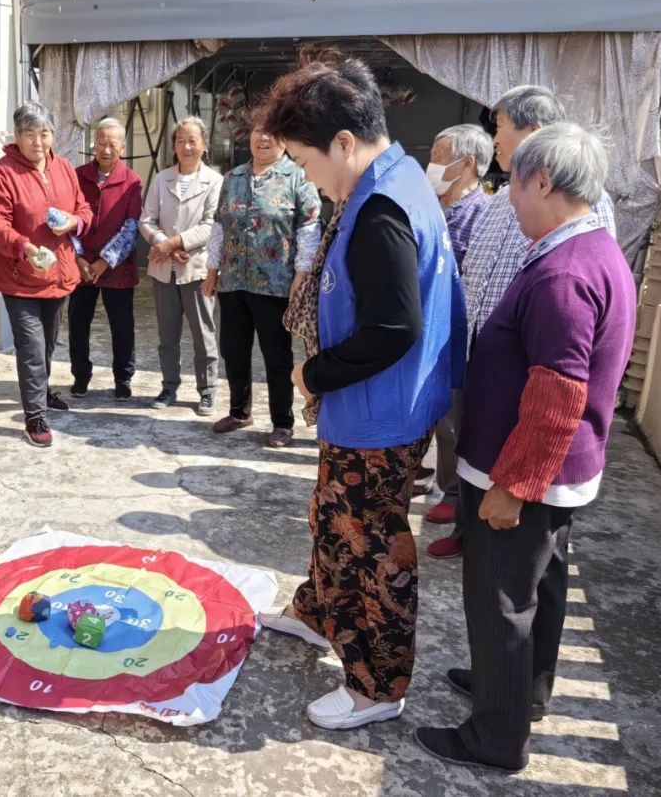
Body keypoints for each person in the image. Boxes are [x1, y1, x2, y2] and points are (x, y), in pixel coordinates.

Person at [415, 123, 636, 772]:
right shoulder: (591, 249)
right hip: (564, 469)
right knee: (543, 582)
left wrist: (513, 487)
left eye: (512, 183)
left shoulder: (564, 274)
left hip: (524, 470)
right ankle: (523, 690)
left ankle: (495, 737)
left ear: (541, 181)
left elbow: (557, 394)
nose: (509, 199)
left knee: (500, 599)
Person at [255, 52, 465, 730]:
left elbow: (395, 326)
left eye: (305, 161)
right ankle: (317, 612)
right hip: (372, 408)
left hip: (381, 414)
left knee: (371, 549)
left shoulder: (380, 210)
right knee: (331, 519)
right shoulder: (394, 178)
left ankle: (377, 684)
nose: (307, 178)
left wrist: (314, 374)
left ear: (343, 142)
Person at [433, 85, 617, 560]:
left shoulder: (582, 209)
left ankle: (499, 525)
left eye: (500, 126)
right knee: (474, 440)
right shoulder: (502, 198)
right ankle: (468, 524)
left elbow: (565, 365)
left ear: (533, 130)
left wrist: (519, 484)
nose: (493, 138)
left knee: (519, 452)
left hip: (532, 357)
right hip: (484, 348)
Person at [202, 123, 321, 447]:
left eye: (272, 132)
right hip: (233, 282)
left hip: (276, 285)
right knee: (233, 350)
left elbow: (309, 228)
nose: (263, 138)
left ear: (284, 140)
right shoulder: (233, 178)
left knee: (276, 356)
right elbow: (218, 227)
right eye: (258, 131)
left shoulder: (298, 177)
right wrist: (212, 270)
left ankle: (282, 422)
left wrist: (301, 275)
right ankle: (239, 412)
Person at [0, 101, 92, 447]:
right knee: (31, 346)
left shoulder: (65, 169)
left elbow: (84, 209)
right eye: (30, 134)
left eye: (44, 134)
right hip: (21, 277)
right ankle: (35, 416)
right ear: (17, 135)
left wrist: (74, 222)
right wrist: (24, 246)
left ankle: (40, 392)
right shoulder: (2, 173)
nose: (38, 142)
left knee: (48, 344)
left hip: (58, 274)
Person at [420, 124, 493, 556]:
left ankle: (452, 493)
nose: (431, 165)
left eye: (438, 157)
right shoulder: (434, 206)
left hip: (455, 336)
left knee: (452, 422)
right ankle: (427, 476)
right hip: (425, 330)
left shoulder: (482, 215)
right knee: (429, 414)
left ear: (467, 164)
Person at [140, 117, 223, 416]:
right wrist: (163, 243)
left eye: (192, 140)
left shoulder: (215, 181)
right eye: (180, 141)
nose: (186, 147)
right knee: (167, 335)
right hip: (164, 269)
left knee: (203, 334)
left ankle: (207, 390)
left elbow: (211, 224)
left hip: (196, 269)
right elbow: (146, 219)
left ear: (204, 145)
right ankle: (169, 386)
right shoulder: (162, 179)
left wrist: (175, 243)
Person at [68, 117, 143, 401]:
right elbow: (70, 220)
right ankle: (80, 375)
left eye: (113, 144)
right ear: (94, 145)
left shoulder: (132, 181)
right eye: (101, 143)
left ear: (122, 147)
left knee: (122, 327)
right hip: (82, 267)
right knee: (78, 324)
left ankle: (123, 378)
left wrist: (105, 261)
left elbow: (131, 227)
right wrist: (78, 258)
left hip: (117, 268)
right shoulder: (78, 176)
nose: (106, 149)